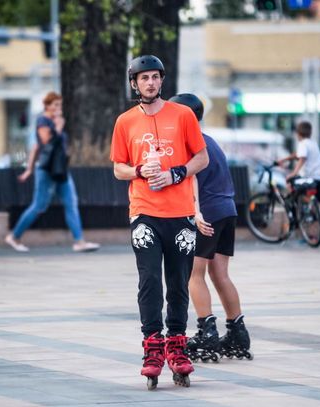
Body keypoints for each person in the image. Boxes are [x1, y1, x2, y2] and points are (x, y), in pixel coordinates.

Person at [110, 56, 209, 388]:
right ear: (134, 83)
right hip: (144, 211)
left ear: (162, 80)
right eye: (144, 78)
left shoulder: (182, 115)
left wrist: (176, 173)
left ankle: (177, 346)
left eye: (155, 77)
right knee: (150, 280)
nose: (150, 83)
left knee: (179, 282)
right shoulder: (124, 121)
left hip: (180, 213)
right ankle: (152, 347)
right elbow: (118, 168)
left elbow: (202, 157)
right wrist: (139, 171)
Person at [168, 94, 253, 363]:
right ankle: (238, 333)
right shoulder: (210, 141)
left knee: (193, 275)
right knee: (220, 275)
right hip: (228, 210)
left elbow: (189, 180)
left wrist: (194, 213)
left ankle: (206, 332)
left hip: (206, 214)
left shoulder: (188, 144)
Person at [4, 92, 99, 253]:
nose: (58, 108)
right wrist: (58, 127)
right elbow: (46, 142)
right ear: (47, 106)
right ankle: (14, 236)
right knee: (39, 205)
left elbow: (37, 147)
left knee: (71, 202)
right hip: (47, 170)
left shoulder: (54, 121)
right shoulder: (43, 121)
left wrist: (29, 169)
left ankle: (79, 241)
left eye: (59, 105)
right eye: (55, 105)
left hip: (60, 169)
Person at [276, 121, 320, 203]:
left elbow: (302, 158)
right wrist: (283, 160)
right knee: (315, 203)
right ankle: (312, 207)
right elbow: (297, 155)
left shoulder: (303, 143)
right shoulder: (313, 143)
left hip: (309, 179)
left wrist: (294, 173)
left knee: (289, 182)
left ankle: (296, 204)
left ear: (298, 133)